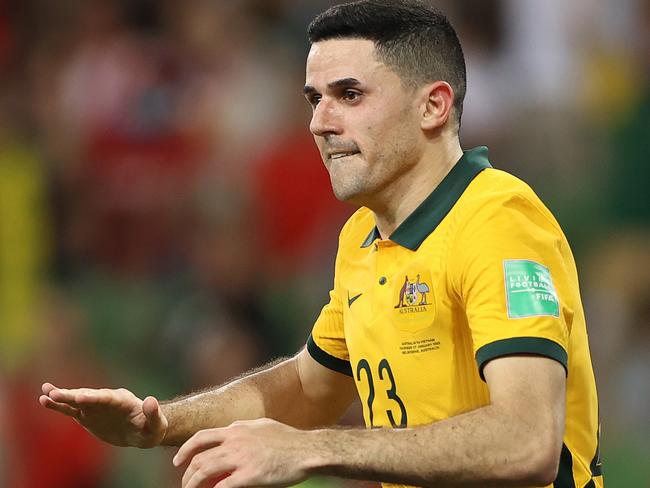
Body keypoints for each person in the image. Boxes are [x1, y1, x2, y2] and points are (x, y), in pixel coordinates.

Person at [39, 1, 603, 487]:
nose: (319, 122)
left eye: (350, 95)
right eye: (314, 99)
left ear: (433, 105)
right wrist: (158, 424)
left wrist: (311, 449)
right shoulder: (363, 235)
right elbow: (311, 386)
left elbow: (528, 442)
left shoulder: (498, 224)